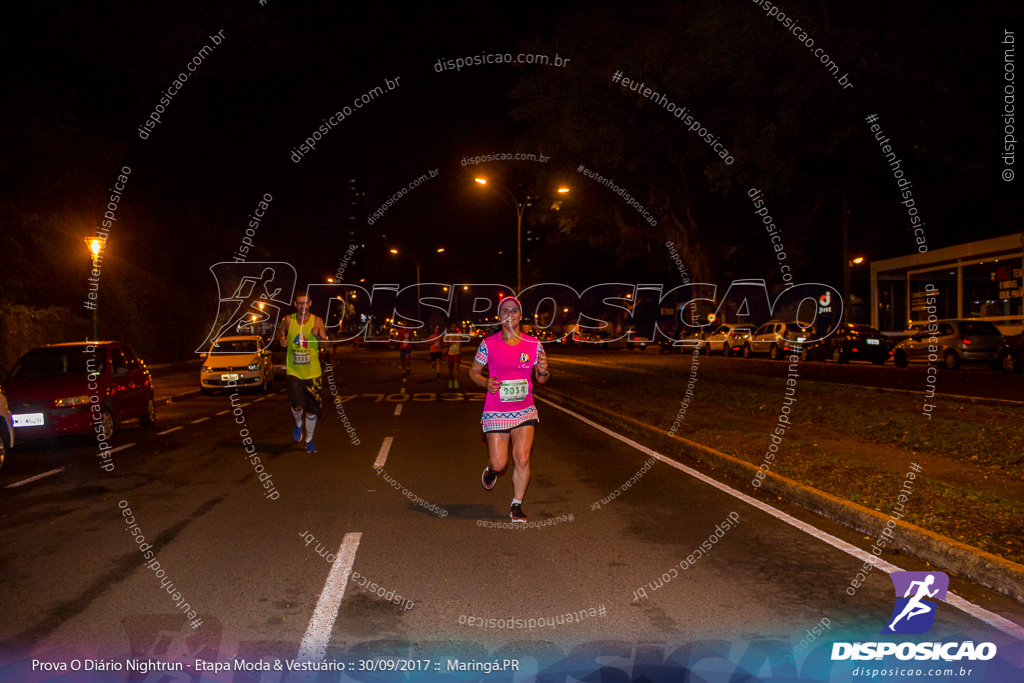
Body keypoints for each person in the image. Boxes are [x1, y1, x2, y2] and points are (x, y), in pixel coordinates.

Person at [469, 296, 549, 522]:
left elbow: (541, 380)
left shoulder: (534, 345)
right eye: (505, 310)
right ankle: (492, 470)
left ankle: (516, 505)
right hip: (496, 410)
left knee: (522, 458)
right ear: (499, 316)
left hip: (525, 410)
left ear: (520, 316)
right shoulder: (488, 344)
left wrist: (542, 371)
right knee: (500, 463)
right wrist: (485, 382)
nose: (510, 314)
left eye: (514, 310)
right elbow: (473, 372)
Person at [276, 290, 328, 453]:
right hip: (294, 371)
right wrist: (282, 339)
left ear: (310, 304)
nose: (303, 306)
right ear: (295, 304)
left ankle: (309, 439)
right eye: (300, 303)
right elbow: (280, 332)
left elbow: (326, 346)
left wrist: (318, 336)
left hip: (313, 372)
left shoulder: (317, 321)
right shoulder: (288, 319)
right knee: (297, 405)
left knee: (312, 410)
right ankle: (299, 423)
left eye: (305, 303)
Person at [445, 324, 463, 389]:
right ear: (450, 328)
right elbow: (444, 343)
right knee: (450, 370)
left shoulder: (459, 335)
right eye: (452, 327)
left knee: (456, 368)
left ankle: (456, 381)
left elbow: (461, 343)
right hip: (450, 353)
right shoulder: (448, 335)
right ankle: (450, 380)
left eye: (455, 327)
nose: (453, 328)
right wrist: (449, 343)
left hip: (457, 353)